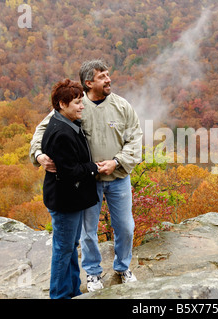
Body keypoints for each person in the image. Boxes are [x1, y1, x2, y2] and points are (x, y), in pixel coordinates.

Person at [30, 59, 143, 291]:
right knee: (87, 231)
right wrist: (38, 154)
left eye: (108, 74)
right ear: (89, 83)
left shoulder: (122, 106)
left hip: (118, 177)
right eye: (102, 77)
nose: (109, 79)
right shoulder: (76, 105)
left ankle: (123, 267)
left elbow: (136, 139)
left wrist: (117, 161)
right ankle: (93, 273)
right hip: (87, 181)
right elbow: (44, 129)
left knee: (125, 227)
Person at [42, 79, 100, 299]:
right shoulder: (61, 133)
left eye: (81, 101)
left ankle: (72, 291)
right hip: (65, 201)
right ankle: (59, 295)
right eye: (77, 102)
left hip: (72, 200)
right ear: (61, 104)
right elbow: (70, 171)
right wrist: (94, 167)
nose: (81, 106)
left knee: (69, 247)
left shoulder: (67, 124)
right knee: (63, 250)